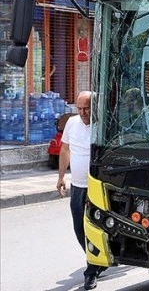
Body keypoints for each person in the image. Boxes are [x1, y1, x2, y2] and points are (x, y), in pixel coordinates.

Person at [56, 91, 105, 290]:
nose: (83, 112)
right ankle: (97, 259)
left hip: (96, 185)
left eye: (87, 108)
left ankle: (91, 271)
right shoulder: (72, 123)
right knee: (79, 228)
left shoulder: (101, 126)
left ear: (94, 107)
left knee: (94, 228)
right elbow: (65, 149)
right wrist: (60, 177)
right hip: (77, 185)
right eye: (80, 108)